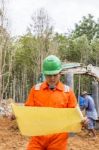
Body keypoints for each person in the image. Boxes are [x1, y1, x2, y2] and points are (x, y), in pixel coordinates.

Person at [25, 55, 78, 150]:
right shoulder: (35, 90)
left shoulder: (68, 92)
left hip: (58, 138)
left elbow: (74, 114)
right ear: (44, 74)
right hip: (38, 136)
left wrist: (83, 120)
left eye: (55, 75)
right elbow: (28, 111)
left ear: (60, 73)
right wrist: (17, 115)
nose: (52, 78)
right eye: (49, 75)